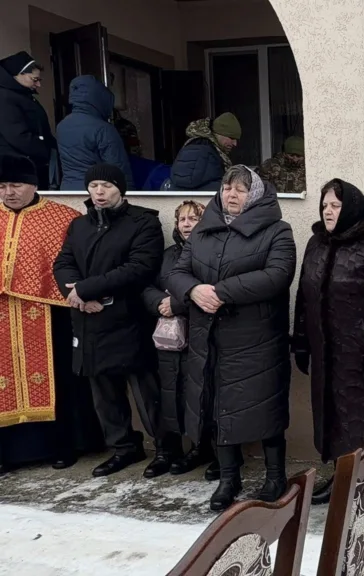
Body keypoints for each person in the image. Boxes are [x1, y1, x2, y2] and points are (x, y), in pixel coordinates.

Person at [167, 165, 296, 511]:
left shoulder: (277, 231)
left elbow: (277, 275)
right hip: (209, 338)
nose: (231, 195)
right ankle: (228, 478)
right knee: (216, 405)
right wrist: (193, 290)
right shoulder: (203, 232)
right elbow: (178, 273)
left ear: (254, 194)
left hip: (257, 338)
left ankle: (275, 476)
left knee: (264, 405)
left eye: (240, 189)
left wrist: (220, 292)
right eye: (226, 188)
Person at [293, 179, 364, 505]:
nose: (328, 211)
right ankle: (342, 477)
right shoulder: (317, 243)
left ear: (351, 207)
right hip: (327, 354)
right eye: (325, 205)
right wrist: (301, 339)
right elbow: (305, 294)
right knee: (334, 418)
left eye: (335, 205)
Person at [52, 163, 169, 478]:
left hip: (127, 319)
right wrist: (75, 294)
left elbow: (139, 267)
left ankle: (165, 448)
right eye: (93, 186)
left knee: (147, 394)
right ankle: (123, 448)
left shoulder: (143, 222)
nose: (99, 192)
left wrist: (87, 289)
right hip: (89, 320)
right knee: (104, 393)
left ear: (120, 188)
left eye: (106, 185)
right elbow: (63, 262)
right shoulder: (79, 225)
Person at [0, 155, 104, 475]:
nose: (8, 192)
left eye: (15, 185)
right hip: (3, 315)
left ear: (34, 184)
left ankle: (64, 445)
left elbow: (82, 261)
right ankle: (7, 452)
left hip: (49, 313)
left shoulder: (62, 218)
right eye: (2, 186)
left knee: (59, 379)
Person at [141, 200, 218, 479]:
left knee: (202, 392)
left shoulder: (212, 252)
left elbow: (213, 291)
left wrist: (178, 303)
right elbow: (146, 286)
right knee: (169, 391)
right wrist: (160, 301)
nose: (186, 224)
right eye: (181, 219)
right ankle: (168, 450)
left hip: (201, 334)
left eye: (193, 218)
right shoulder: (167, 255)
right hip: (168, 339)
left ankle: (204, 448)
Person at [56, 75, 134, 191]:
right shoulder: (103, 128)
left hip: (68, 189)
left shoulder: (62, 126)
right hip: (97, 192)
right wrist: (130, 193)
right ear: (99, 98)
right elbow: (118, 168)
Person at [0, 52, 55, 189]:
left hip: (26, 165)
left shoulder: (21, 95)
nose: (38, 84)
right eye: (34, 79)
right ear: (19, 74)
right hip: (16, 169)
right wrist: (45, 151)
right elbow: (17, 135)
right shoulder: (5, 98)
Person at [169, 114, 240, 191]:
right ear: (219, 134)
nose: (235, 143)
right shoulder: (211, 154)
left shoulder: (190, 145)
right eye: (232, 138)